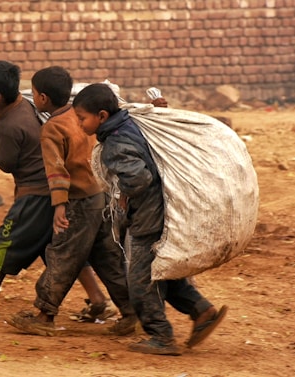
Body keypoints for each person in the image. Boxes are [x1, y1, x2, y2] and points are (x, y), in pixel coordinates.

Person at [0, 61, 116, 322]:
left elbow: (5, 163)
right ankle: (98, 301)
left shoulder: (8, 125)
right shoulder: (26, 104)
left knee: (4, 243)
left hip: (36, 195)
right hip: (55, 192)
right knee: (58, 247)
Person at [72, 83, 228, 356]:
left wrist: (122, 193)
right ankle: (202, 311)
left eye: (82, 118)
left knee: (140, 279)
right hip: (165, 211)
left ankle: (160, 336)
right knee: (160, 270)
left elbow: (139, 178)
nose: (79, 123)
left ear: (102, 116)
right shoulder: (131, 122)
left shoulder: (115, 143)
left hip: (148, 217)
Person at [6, 66, 138, 336]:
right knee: (107, 257)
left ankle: (44, 315)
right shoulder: (81, 116)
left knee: (63, 255)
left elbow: (57, 171)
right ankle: (132, 311)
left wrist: (59, 206)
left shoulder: (53, 128)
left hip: (79, 202)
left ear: (42, 99)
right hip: (101, 197)